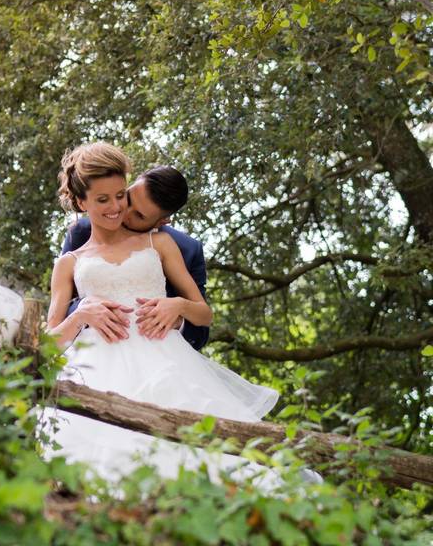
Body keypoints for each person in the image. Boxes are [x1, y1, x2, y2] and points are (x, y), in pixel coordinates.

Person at [44, 142, 279, 483]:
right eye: (104, 200)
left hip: (165, 361)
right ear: (82, 203)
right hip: (97, 367)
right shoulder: (70, 258)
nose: (118, 210)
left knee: (202, 460)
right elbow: (49, 341)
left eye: (122, 197)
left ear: (162, 220)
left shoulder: (163, 243)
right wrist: (80, 314)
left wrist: (178, 307)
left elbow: (204, 317)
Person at [60, 165, 209, 351]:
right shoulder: (81, 232)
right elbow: (62, 308)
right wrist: (83, 310)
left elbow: (201, 332)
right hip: (95, 351)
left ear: (161, 221)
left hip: (162, 352)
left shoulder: (185, 248)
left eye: (139, 215)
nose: (122, 212)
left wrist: (177, 316)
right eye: (128, 198)